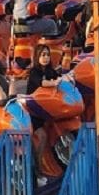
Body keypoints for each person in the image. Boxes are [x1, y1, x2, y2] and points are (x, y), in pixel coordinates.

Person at [26, 45, 63, 184]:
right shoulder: (34, 72)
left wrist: (67, 77)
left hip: (44, 109)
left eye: (47, 54)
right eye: (42, 55)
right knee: (41, 136)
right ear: (37, 57)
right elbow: (43, 83)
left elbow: (59, 77)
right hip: (32, 111)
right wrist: (54, 83)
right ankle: (37, 169)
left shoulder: (49, 70)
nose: (46, 57)